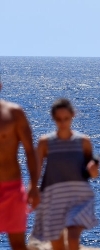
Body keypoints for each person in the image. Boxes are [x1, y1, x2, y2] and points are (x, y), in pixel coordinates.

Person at [32, 98, 99, 250]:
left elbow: (92, 174)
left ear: (73, 116)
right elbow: (36, 170)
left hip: (78, 198)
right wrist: (33, 191)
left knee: (73, 239)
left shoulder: (83, 142)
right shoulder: (45, 142)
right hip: (53, 198)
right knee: (58, 245)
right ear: (53, 118)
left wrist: (93, 170)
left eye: (66, 118)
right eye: (58, 119)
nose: (62, 123)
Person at [0, 82, 40, 250]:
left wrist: (33, 185)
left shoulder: (14, 113)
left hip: (11, 188)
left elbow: (30, 151)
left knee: (17, 245)